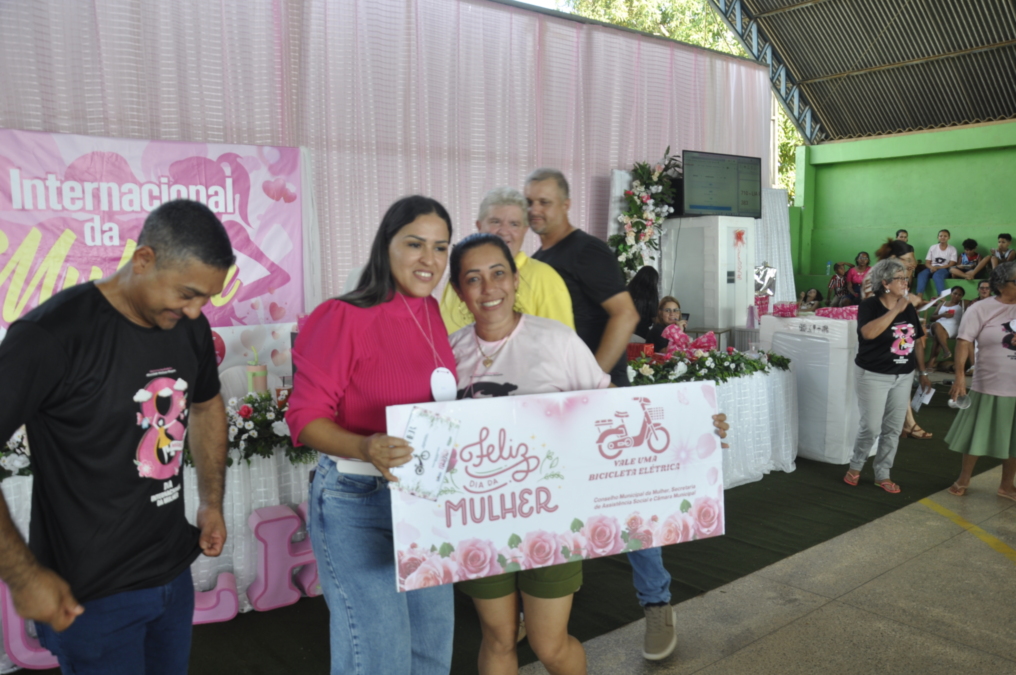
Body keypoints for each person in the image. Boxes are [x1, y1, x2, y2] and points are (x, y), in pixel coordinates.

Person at [0, 200, 232, 674]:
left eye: (206, 299)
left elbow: (206, 405)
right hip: (92, 596)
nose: (195, 310)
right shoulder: (51, 335)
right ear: (144, 259)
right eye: (187, 294)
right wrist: (23, 577)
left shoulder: (189, 326)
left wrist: (211, 502)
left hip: (171, 575)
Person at [286, 196, 457, 674]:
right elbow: (304, 417)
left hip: (422, 499)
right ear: (386, 245)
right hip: (357, 500)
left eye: (441, 247)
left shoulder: (432, 313)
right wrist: (364, 446)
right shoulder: (342, 315)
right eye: (415, 244)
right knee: (379, 658)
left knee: (431, 652)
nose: (429, 259)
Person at [526, 168, 676, 661]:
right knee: (553, 499)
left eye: (545, 201)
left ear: (566, 204)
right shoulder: (537, 262)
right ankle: (544, 605)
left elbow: (626, 314)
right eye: (530, 202)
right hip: (556, 405)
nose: (535, 210)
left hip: (601, 399)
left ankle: (656, 604)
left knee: (630, 506)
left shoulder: (586, 250)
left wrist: (590, 381)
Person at [448, 233, 608, 675]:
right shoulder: (448, 353)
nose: (489, 288)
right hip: (480, 520)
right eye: (473, 278)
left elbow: (610, 408)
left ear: (516, 280)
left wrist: (690, 424)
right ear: (459, 291)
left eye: (498, 273)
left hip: (551, 517)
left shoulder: (556, 340)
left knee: (549, 644)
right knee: (499, 638)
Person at [844, 258, 932, 493]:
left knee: (893, 428)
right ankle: (856, 465)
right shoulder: (870, 305)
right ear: (885, 282)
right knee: (871, 427)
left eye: (906, 278)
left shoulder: (908, 308)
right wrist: (896, 309)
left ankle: (883, 473)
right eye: (900, 279)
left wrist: (922, 372)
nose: (905, 283)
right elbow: (868, 333)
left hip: (903, 375)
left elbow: (917, 340)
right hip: (873, 374)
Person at [440, 186, 574, 333]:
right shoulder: (461, 276)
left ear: (525, 230)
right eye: (495, 222)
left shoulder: (545, 278)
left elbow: (562, 342)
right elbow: (444, 334)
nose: (504, 231)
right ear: (479, 226)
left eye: (514, 224)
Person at [944, 261, 1016, 502]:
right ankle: (964, 478)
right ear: (1001, 284)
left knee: (1015, 438)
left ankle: (1007, 485)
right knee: (976, 433)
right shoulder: (981, 309)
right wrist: (959, 378)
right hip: (989, 383)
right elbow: (964, 342)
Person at [925, 286, 967, 370]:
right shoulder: (942, 304)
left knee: (938, 335)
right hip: (938, 325)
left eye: (959, 295)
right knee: (937, 325)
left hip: (953, 327)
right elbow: (932, 318)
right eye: (955, 293)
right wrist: (942, 315)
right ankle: (946, 350)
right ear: (951, 294)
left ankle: (931, 362)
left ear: (962, 296)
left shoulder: (962, 304)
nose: (956, 296)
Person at [916, 229, 958, 296]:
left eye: (945, 236)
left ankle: (941, 297)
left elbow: (952, 263)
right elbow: (927, 262)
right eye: (941, 236)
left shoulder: (952, 249)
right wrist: (932, 267)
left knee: (937, 276)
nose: (943, 237)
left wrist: (937, 268)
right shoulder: (933, 247)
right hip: (932, 267)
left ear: (949, 237)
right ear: (938, 237)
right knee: (922, 274)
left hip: (944, 269)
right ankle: (919, 297)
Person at [628, 266, 661, 342]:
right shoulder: (651, 295)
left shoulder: (627, 290)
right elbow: (655, 318)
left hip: (623, 334)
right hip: (641, 335)